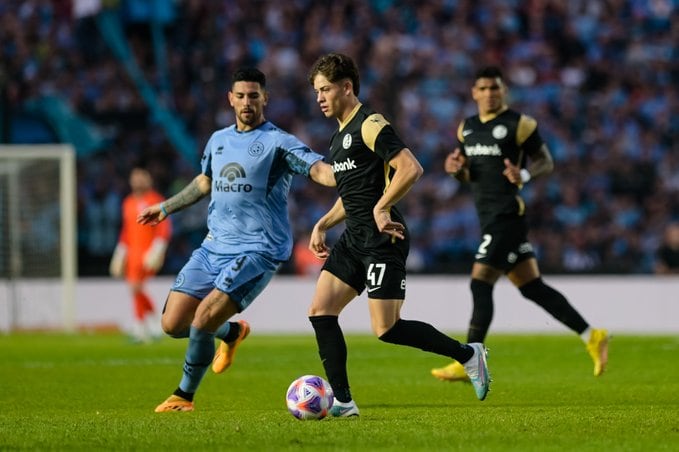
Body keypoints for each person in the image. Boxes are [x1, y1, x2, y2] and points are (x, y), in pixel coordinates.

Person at [137, 67, 336, 412]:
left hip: (258, 250)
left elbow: (318, 170)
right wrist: (166, 208)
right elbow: (204, 182)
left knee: (202, 320)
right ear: (230, 99)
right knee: (172, 324)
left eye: (254, 96)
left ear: (265, 98)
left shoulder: (278, 142)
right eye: (240, 96)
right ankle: (231, 333)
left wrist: (348, 172)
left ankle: (184, 396)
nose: (247, 102)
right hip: (213, 246)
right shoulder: (219, 140)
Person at [306, 52, 491, 417]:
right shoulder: (338, 137)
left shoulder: (370, 123)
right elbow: (352, 194)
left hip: (383, 238)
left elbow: (411, 167)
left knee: (386, 329)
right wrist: (323, 223)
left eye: (325, 89)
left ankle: (469, 355)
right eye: (316, 92)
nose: (320, 98)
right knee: (320, 310)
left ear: (346, 87)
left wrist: (382, 206)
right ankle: (343, 401)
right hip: (354, 239)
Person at [431, 66, 609, 382]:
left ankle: (469, 358)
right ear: (474, 93)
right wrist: (455, 169)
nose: (489, 94)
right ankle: (591, 335)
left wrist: (523, 175)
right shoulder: (466, 128)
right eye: (483, 88)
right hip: (488, 215)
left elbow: (545, 161)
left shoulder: (520, 124)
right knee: (532, 288)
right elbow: (470, 173)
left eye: (495, 88)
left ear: (504, 91)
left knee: (479, 282)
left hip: (507, 216)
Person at [110, 167, 171, 343]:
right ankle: (150, 325)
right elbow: (126, 230)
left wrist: (157, 250)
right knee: (136, 289)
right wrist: (120, 252)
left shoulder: (156, 200)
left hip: (147, 252)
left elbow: (164, 229)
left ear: (149, 180)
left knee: (135, 287)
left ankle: (141, 326)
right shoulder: (127, 202)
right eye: (135, 178)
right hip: (132, 253)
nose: (138, 181)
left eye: (141, 178)